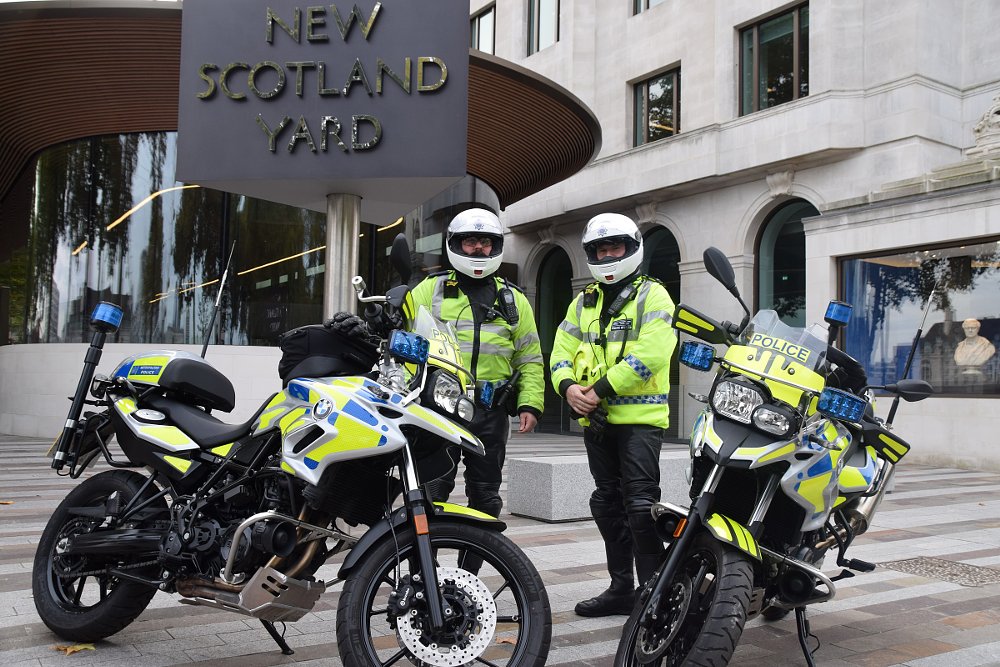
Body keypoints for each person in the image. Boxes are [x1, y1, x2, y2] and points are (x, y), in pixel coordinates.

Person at [550, 212, 677, 617]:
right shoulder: (582, 301)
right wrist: (568, 388)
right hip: (596, 421)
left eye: (614, 247)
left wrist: (598, 390)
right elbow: (559, 353)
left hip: (640, 421)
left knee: (640, 505)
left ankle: (656, 594)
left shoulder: (653, 295)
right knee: (606, 502)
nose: (607, 255)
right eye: (600, 249)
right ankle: (622, 589)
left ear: (632, 248)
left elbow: (653, 353)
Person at [409, 207, 544, 520]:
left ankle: (470, 569)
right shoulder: (431, 289)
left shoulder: (514, 299)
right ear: (456, 245)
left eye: (485, 242)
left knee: (486, 497)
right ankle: (424, 567)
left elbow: (530, 357)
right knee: (431, 493)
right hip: (439, 405)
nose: (479, 248)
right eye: (471, 241)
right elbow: (402, 336)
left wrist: (530, 403)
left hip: (491, 410)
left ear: (496, 246)